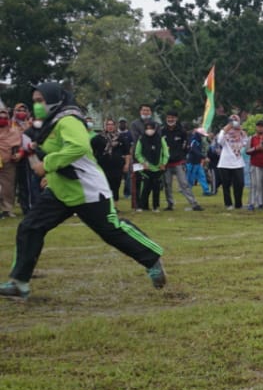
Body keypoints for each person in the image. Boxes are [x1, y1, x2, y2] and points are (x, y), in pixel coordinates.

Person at [0, 83, 166, 300]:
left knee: (111, 231)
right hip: (60, 190)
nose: (37, 105)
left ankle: (152, 259)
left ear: (54, 100)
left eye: (41, 100)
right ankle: (19, 282)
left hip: (87, 190)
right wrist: (42, 164)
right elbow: (54, 151)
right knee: (30, 227)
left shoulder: (68, 120)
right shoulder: (47, 125)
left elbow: (78, 147)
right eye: (35, 101)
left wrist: (47, 165)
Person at [160, 111, 202, 211]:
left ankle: (194, 204)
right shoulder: (162, 131)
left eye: (172, 118)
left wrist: (183, 157)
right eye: (168, 118)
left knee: (184, 183)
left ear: (176, 119)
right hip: (166, 163)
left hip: (178, 162)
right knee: (167, 184)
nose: (170, 120)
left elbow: (186, 146)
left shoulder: (182, 131)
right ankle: (170, 204)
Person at [132, 119, 168, 212]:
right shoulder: (141, 139)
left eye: (151, 128)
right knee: (146, 188)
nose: (149, 130)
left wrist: (163, 163)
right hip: (146, 168)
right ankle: (141, 206)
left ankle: (155, 207)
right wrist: (143, 162)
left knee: (156, 188)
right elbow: (137, 153)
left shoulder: (160, 139)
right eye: (147, 128)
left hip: (158, 168)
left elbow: (166, 153)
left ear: (155, 129)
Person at [215, 116, 248, 210]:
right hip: (225, 163)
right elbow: (219, 141)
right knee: (226, 185)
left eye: (236, 121)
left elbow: (246, 142)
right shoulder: (225, 134)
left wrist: (241, 130)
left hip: (238, 163)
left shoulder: (241, 134)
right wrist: (226, 128)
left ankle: (238, 204)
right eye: (232, 121)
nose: (234, 124)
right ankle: (228, 203)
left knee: (240, 184)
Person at [0, 106, 26, 217]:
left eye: (5, 117)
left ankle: (7, 209)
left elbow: (21, 145)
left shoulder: (14, 131)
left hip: (9, 163)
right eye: (0, 117)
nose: (3, 119)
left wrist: (19, 154)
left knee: (8, 187)